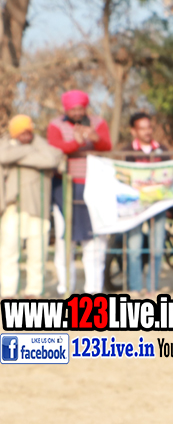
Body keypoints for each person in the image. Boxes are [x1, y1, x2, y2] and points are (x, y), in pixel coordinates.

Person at [47, 89, 113, 294]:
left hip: (94, 186)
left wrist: (95, 138)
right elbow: (54, 148)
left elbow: (107, 146)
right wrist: (76, 142)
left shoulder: (98, 123)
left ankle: (93, 290)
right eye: (73, 109)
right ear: (66, 109)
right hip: (65, 186)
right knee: (65, 239)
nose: (77, 112)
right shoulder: (55, 125)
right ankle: (65, 288)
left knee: (94, 240)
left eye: (80, 108)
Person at [0, 115, 63, 297]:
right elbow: (3, 156)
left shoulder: (40, 144)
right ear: (15, 133)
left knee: (37, 253)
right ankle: (8, 292)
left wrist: (19, 158)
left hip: (38, 207)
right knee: (9, 252)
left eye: (29, 132)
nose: (27, 136)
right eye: (22, 133)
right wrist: (30, 153)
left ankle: (33, 292)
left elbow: (51, 159)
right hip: (12, 206)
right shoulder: (6, 145)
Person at [124, 112, 168, 294]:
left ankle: (152, 287)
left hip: (158, 204)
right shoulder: (127, 151)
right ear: (133, 131)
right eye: (142, 128)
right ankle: (135, 287)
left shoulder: (162, 150)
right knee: (134, 247)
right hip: (135, 205)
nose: (147, 131)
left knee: (157, 248)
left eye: (149, 127)